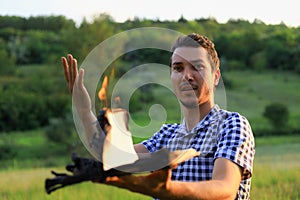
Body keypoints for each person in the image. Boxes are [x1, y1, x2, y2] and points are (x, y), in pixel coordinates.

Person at [62, 33, 255, 200]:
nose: (187, 75)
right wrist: (84, 112)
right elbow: (114, 158)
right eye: (178, 68)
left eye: (196, 67)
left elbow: (225, 190)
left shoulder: (231, 124)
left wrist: (167, 190)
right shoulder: (166, 135)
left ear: (215, 76)